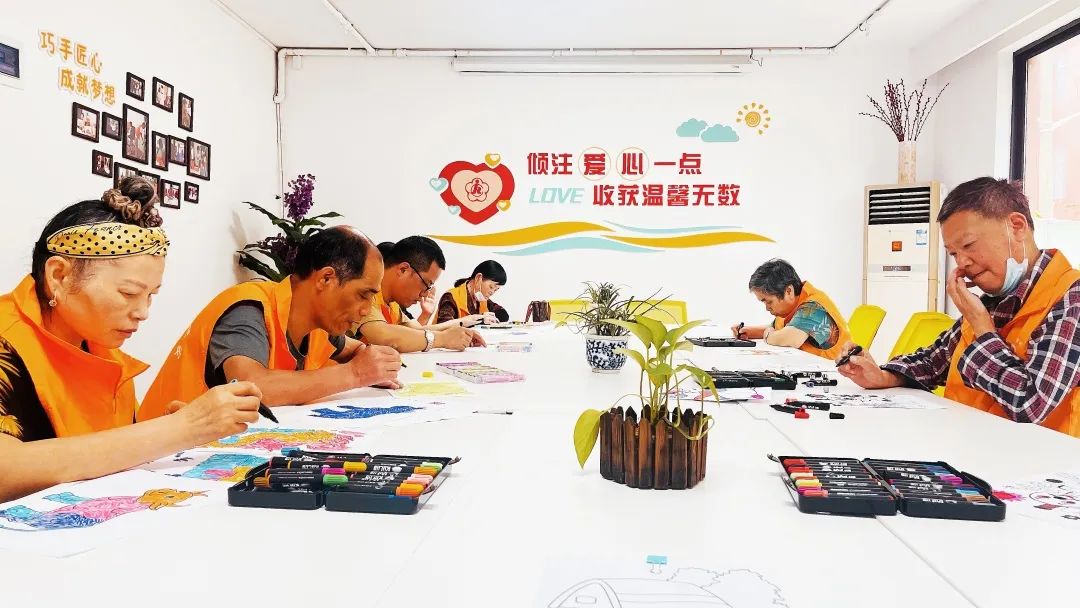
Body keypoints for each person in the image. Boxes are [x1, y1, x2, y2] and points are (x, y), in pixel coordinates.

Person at [0, 177, 263, 501]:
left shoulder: (100, 348)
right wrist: (182, 428)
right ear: (59, 276)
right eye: (128, 293)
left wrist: (169, 432)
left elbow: (105, 450)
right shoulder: (6, 340)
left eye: (151, 295)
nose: (143, 312)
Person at [838, 177, 1080, 436]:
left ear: (1017, 227)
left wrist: (983, 330)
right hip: (966, 444)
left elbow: (1031, 404)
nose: (962, 262)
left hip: (1034, 456)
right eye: (953, 253)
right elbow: (933, 362)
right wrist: (883, 376)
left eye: (968, 245)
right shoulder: (994, 297)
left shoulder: (1071, 298)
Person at [139, 226, 402, 419]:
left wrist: (373, 365)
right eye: (363, 295)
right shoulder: (248, 310)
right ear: (326, 279)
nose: (366, 310)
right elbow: (252, 386)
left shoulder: (320, 325)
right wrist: (355, 374)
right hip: (158, 458)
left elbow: (355, 350)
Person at [353, 237, 485, 352]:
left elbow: (419, 331)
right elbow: (384, 335)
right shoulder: (366, 292)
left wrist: (461, 330)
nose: (424, 294)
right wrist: (443, 339)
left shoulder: (392, 304)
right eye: (426, 284)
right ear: (403, 270)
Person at [732, 258, 851, 360]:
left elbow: (790, 338)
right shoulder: (791, 308)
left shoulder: (814, 308)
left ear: (788, 291)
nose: (767, 308)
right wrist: (749, 331)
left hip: (837, 374)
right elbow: (778, 328)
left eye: (769, 301)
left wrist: (767, 335)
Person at [436, 260, 510, 325]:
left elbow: (503, 314)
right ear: (478, 278)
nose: (492, 292)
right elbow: (444, 325)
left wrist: (490, 317)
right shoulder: (451, 297)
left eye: (496, 290)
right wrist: (480, 319)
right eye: (491, 287)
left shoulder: (483, 300)